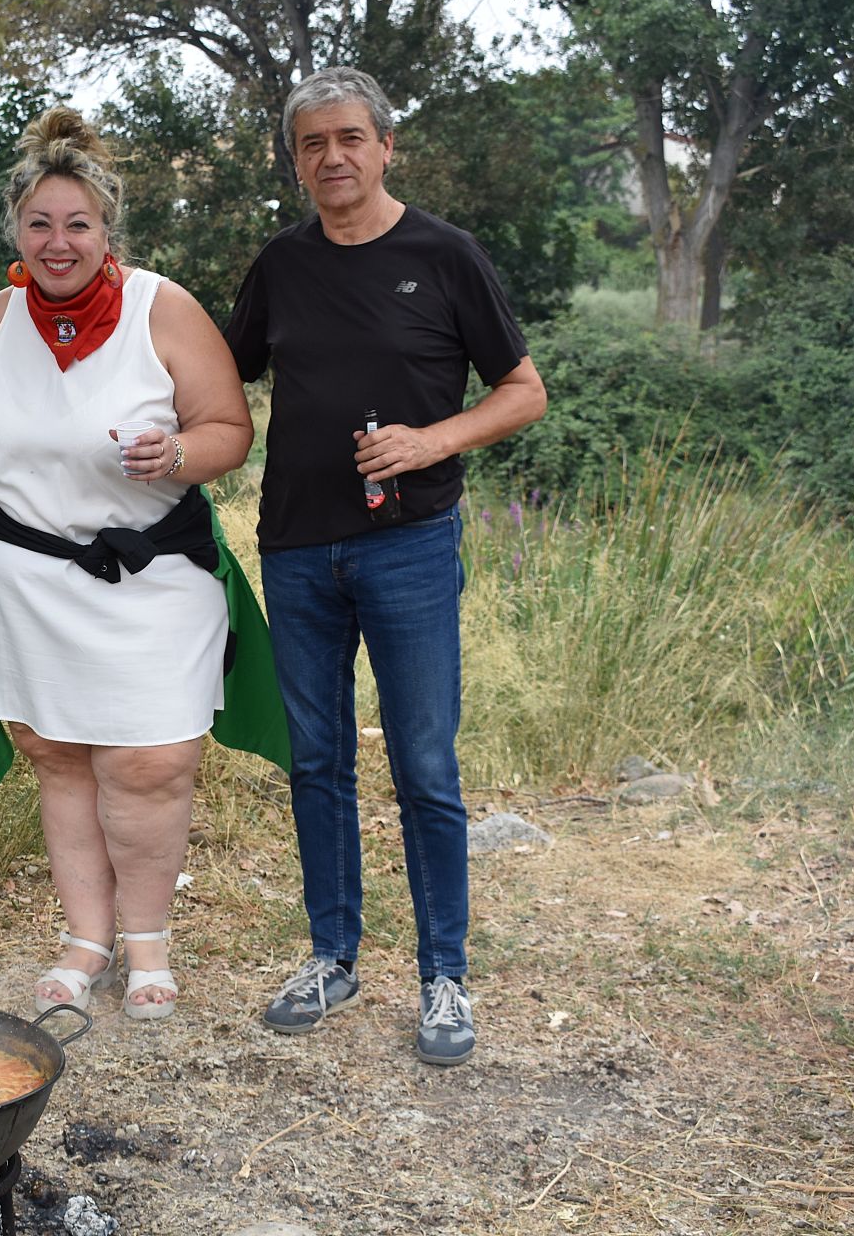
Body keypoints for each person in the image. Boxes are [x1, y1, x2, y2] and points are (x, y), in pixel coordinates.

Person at [0, 108, 281, 1022]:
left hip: (150, 579)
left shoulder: (166, 307)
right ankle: (85, 937)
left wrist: (177, 458)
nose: (58, 241)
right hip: (24, 581)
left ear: (107, 228)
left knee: (150, 763)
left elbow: (230, 430)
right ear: (17, 232)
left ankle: (147, 939)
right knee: (61, 758)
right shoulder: (1, 315)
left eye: (77, 223)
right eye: (40, 223)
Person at [224, 66, 547, 1065]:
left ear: (385, 145)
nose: (334, 157)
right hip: (297, 548)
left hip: (409, 544)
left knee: (425, 764)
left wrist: (430, 440)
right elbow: (220, 372)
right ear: (296, 160)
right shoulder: (280, 264)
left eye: (351, 138)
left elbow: (523, 390)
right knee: (317, 759)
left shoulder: (443, 254)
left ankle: (443, 974)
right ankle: (333, 955)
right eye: (314, 144)